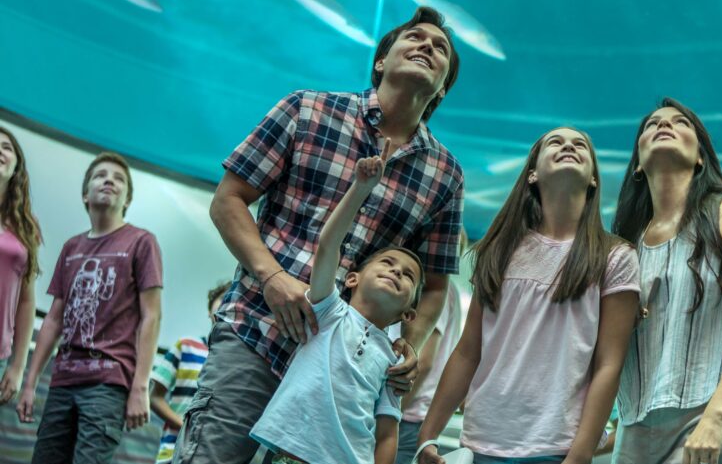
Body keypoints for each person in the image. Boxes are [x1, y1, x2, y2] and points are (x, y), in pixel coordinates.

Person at [173, 6, 464, 464]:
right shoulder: (306, 108)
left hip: (342, 376)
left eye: (440, 47)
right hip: (257, 331)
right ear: (381, 62)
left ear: (443, 87)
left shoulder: (446, 176)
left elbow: (433, 284)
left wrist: (410, 344)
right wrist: (272, 278)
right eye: (414, 38)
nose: (427, 46)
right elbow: (227, 199)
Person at [416, 127, 640, 464]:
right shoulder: (498, 250)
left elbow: (610, 363)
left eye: (580, 144)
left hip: (557, 447)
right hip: (482, 442)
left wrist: (580, 453)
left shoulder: (616, 256)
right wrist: (427, 435)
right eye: (555, 142)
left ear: (594, 178)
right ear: (532, 174)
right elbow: (467, 351)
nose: (568, 146)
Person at [612, 98, 722, 464]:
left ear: (701, 156)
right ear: (638, 162)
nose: (663, 126)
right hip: (636, 420)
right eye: (652, 124)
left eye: (680, 122)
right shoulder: (626, 245)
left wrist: (717, 416)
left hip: (708, 410)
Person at [249, 139, 424, 463]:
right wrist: (360, 188)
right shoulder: (329, 312)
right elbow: (328, 245)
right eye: (387, 264)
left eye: (408, 276)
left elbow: (387, 431)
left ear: (409, 312)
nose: (397, 272)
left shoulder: (393, 363)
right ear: (353, 278)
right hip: (289, 454)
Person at [17, 152, 163, 464]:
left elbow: (151, 316)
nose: (109, 180)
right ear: (86, 194)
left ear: (127, 199)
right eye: (100, 175)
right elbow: (54, 319)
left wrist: (141, 386)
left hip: (108, 382)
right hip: (62, 379)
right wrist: (30, 383)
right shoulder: (71, 247)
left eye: (119, 178)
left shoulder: (141, 242)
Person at [394, 232, 467, 464]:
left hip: (407, 413)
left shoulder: (435, 293)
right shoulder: (451, 290)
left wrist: (390, 413)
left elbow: (424, 360)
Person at [149, 281, 232, 464]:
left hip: (214, 454)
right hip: (172, 449)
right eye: (222, 298)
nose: (226, 304)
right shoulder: (186, 345)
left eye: (232, 300)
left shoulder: (237, 364)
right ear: (210, 307)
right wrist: (185, 426)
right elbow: (154, 397)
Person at [0, 126, 42, 406]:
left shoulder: (25, 227)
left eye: (6, 147)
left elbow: (27, 302)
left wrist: (17, 366)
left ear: (17, 167)